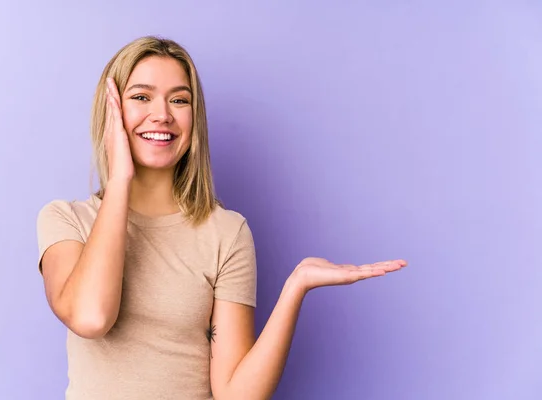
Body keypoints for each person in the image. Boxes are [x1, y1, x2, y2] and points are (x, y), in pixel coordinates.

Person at [36, 35, 407, 400]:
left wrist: (297, 286)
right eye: (140, 97)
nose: (162, 114)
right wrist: (120, 181)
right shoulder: (67, 221)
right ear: (110, 111)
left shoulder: (226, 233)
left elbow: (236, 395)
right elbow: (91, 318)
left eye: (179, 100)